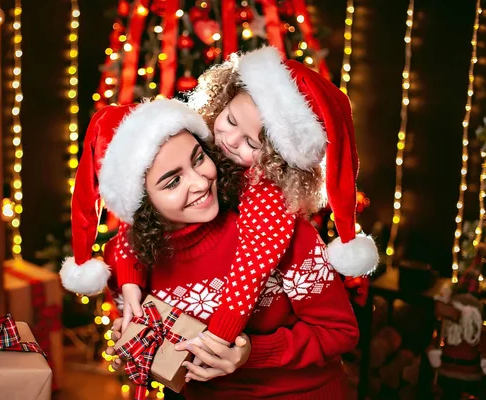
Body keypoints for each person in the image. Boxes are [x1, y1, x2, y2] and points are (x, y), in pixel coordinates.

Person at [60, 98, 359, 399]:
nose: (200, 182)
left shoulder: (282, 232)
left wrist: (250, 354)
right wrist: (139, 342)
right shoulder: (126, 262)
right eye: (173, 181)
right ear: (141, 202)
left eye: (199, 158)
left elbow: (340, 332)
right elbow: (175, 354)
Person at [109, 46, 379, 346]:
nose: (230, 140)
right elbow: (135, 202)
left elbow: (252, 269)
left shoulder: (267, 196)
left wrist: (221, 340)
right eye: (231, 120)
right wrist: (130, 280)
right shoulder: (200, 141)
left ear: (277, 158)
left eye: (252, 142)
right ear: (223, 98)